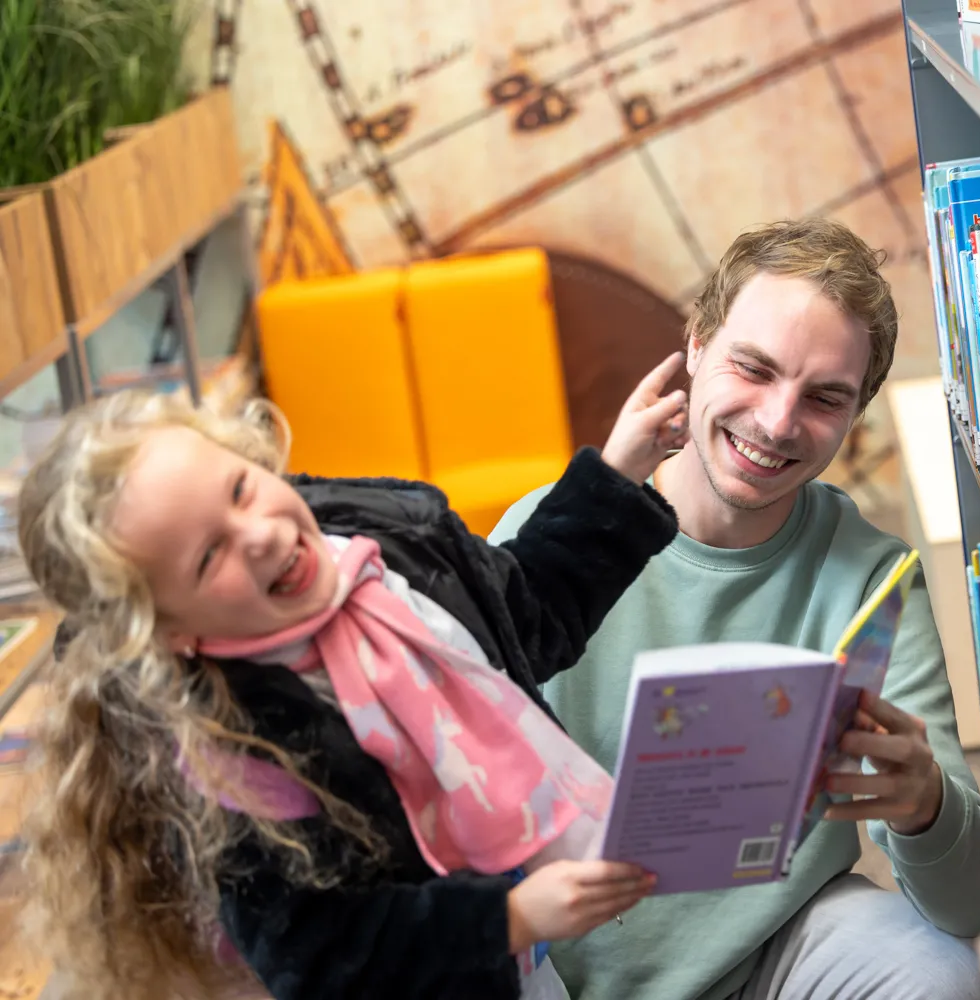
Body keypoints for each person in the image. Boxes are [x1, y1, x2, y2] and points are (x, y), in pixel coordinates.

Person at [16, 354, 692, 1000]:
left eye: (241, 489)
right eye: (207, 556)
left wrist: (616, 475)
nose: (258, 535)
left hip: (519, 969)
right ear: (169, 633)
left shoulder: (382, 552)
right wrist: (506, 918)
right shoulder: (234, 753)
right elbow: (322, 959)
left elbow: (522, 616)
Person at [491, 217, 980, 1000]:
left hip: (776, 954)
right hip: (556, 964)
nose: (776, 421)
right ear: (696, 345)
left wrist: (926, 806)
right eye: (754, 367)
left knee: (954, 975)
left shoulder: (869, 576)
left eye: (824, 397)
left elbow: (971, 906)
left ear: (854, 414)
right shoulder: (551, 534)